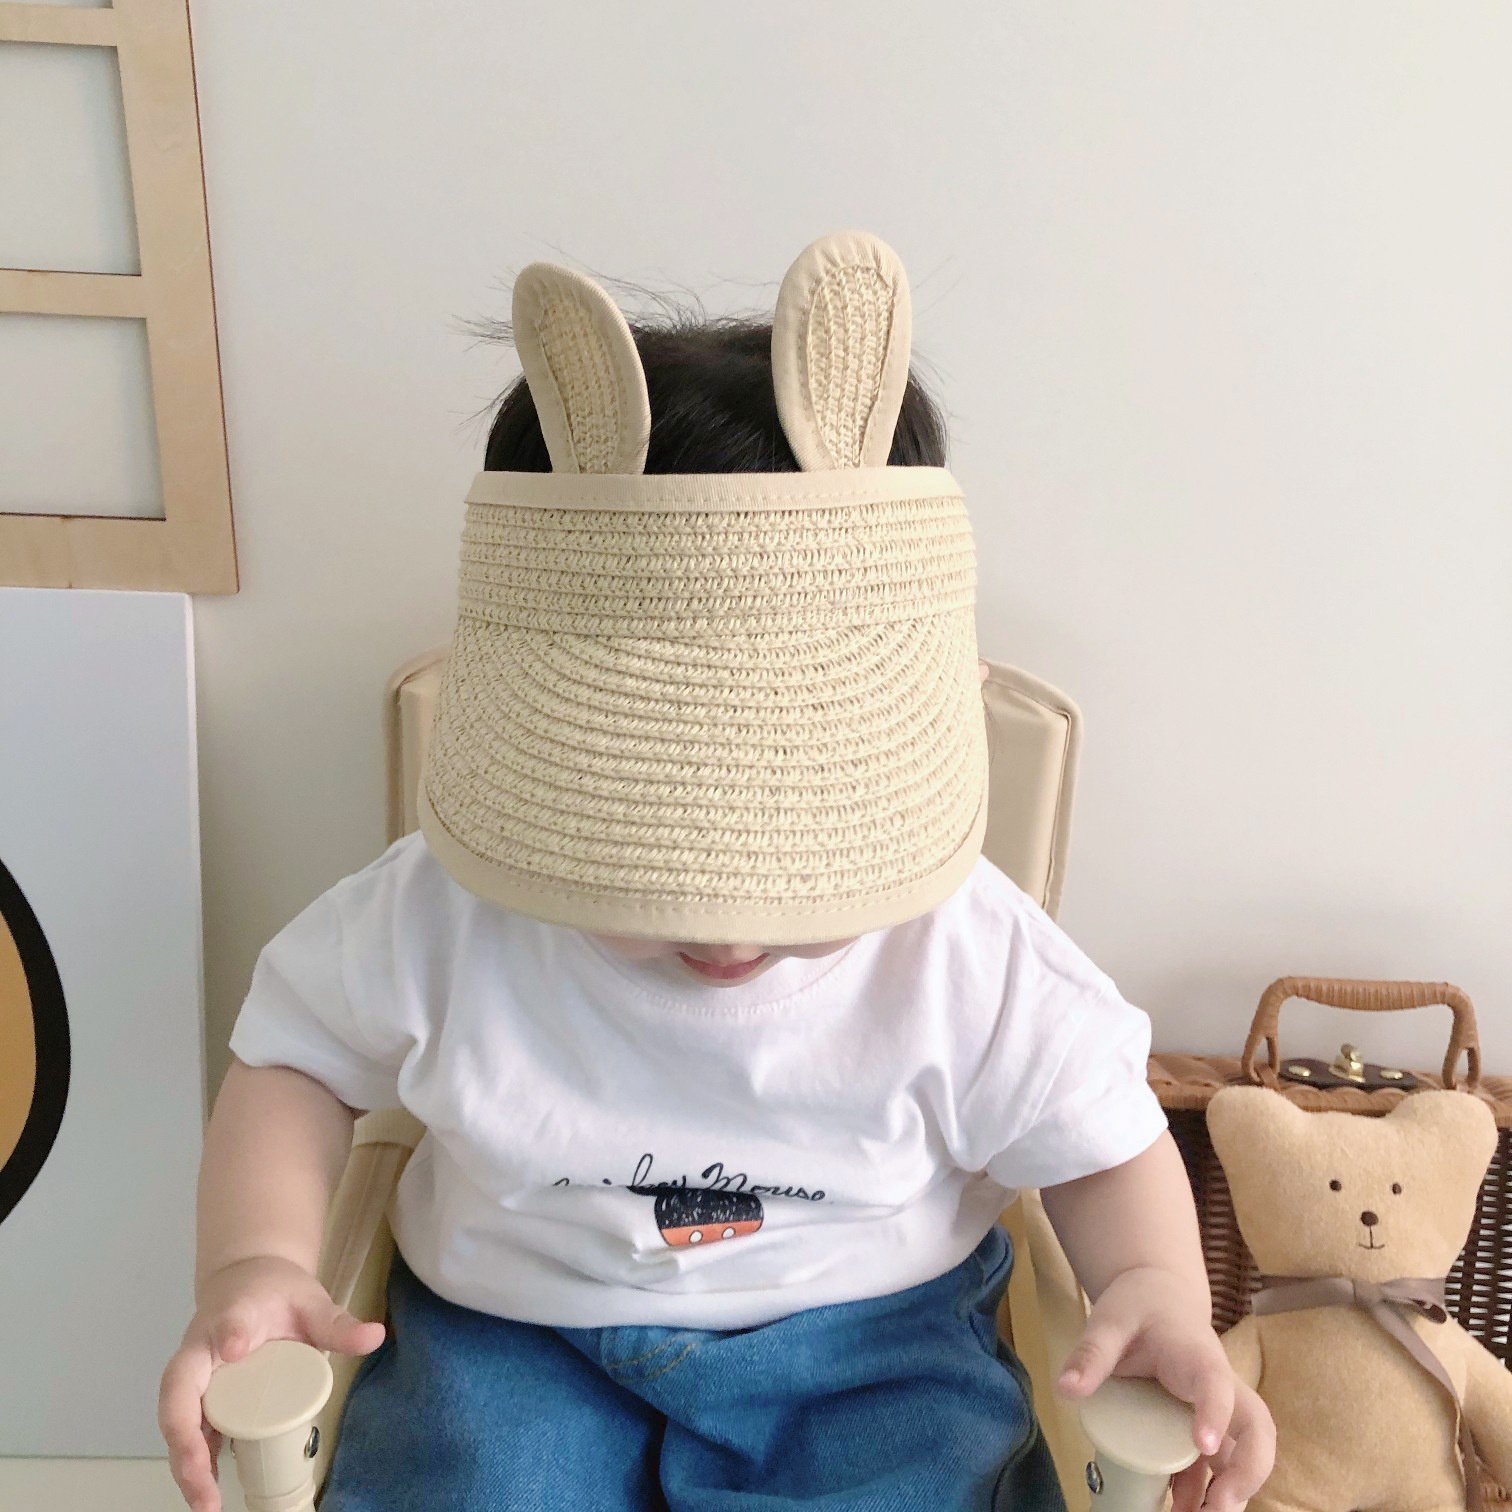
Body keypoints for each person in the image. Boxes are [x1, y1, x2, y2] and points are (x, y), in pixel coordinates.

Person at [159, 234, 1273, 1512]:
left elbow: (1100, 1140)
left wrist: (1154, 1291)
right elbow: (293, 1061)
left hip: (870, 1344)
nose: (730, 936)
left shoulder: (966, 949)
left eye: (793, 865)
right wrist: (254, 1260)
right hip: (509, 1335)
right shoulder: (442, 911)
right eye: (645, 858)